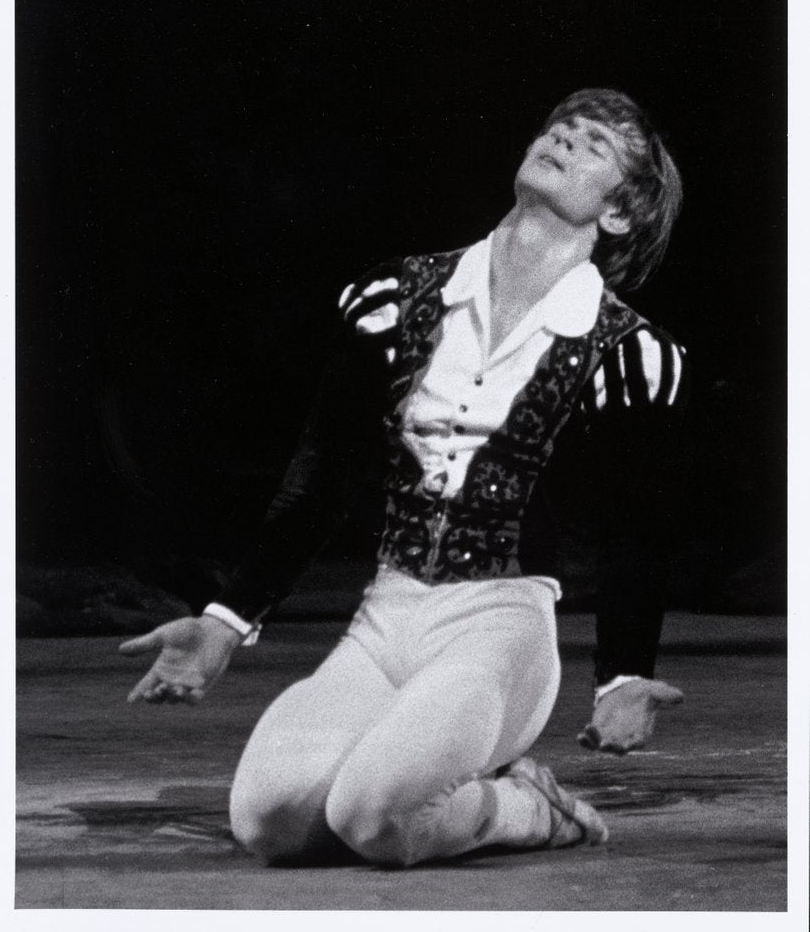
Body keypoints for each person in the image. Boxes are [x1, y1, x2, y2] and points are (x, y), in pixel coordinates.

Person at [120, 88, 686, 867]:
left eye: (592, 144)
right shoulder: (398, 295)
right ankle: (439, 768)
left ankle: (531, 807)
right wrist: (225, 620)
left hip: (499, 630)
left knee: (375, 819)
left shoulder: (626, 352)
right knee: (268, 824)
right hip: (382, 620)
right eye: (558, 126)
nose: (561, 138)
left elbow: (636, 529)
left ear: (618, 214)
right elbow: (318, 477)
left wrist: (623, 675)